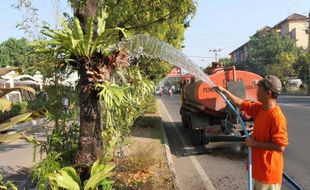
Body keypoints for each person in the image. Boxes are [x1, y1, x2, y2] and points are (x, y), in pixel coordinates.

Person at [215, 75, 288, 190]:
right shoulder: (260, 108)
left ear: (268, 93)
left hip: (268, 173)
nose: (256, 92)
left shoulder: (277, 117)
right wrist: (224, 91)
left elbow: (280, 146)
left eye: (259, 89)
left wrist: (254, 143)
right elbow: (241, 103)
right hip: (260, 170)